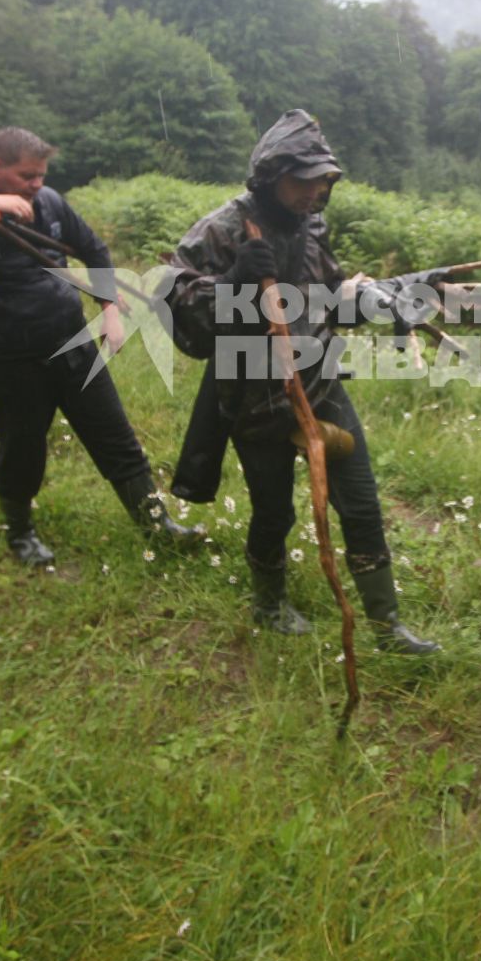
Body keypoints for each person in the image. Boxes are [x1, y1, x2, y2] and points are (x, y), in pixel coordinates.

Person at [165, 110, 439, 655]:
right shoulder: (221, 229)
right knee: (274, 509)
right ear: (271, 175)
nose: (316, 191)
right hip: (253, 394)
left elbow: (328, 291)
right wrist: (234, 282)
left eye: (323, 180)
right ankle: (268, 602)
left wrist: (376, 300)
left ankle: (387, 626)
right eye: (304, 179)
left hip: (319, 382)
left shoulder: (313, 224)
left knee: (360, 501)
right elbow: (180, 318)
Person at [0, 126, 201, 567]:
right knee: (22, 447)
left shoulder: (50, 202)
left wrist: (109, 310)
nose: (36, 185)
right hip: (10, 356)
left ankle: (158, 525)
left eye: (41, 175)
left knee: (115, 437)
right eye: (27, 176)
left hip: (71, 343)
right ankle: (20, 533)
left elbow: (92, 248)